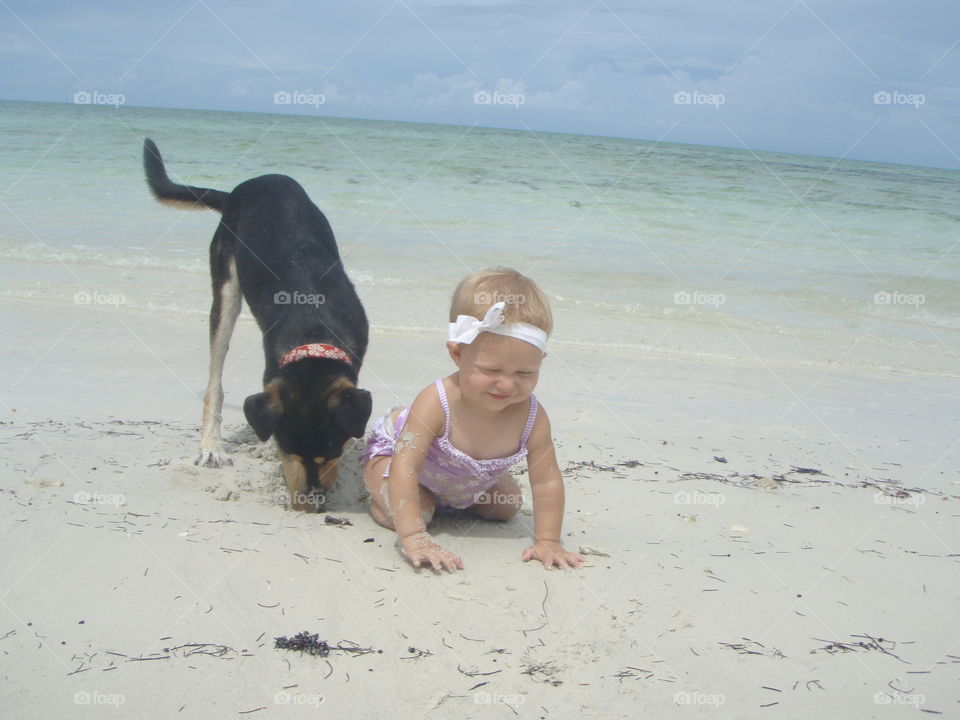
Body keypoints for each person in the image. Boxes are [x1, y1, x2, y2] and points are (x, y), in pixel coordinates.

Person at [361, 268, 585, 572]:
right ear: (457, 354)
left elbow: (545, 480)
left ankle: (454, 493)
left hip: (463, 478)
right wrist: (414, 536)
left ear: (540, 361)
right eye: (491, 370)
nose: (507, 385)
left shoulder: (532, 416)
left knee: (506, 507)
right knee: (420, 511)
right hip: (395, 458)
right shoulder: (437, 402)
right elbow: (406, 466)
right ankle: (380, 495)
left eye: (524, 373)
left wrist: (548, 540)